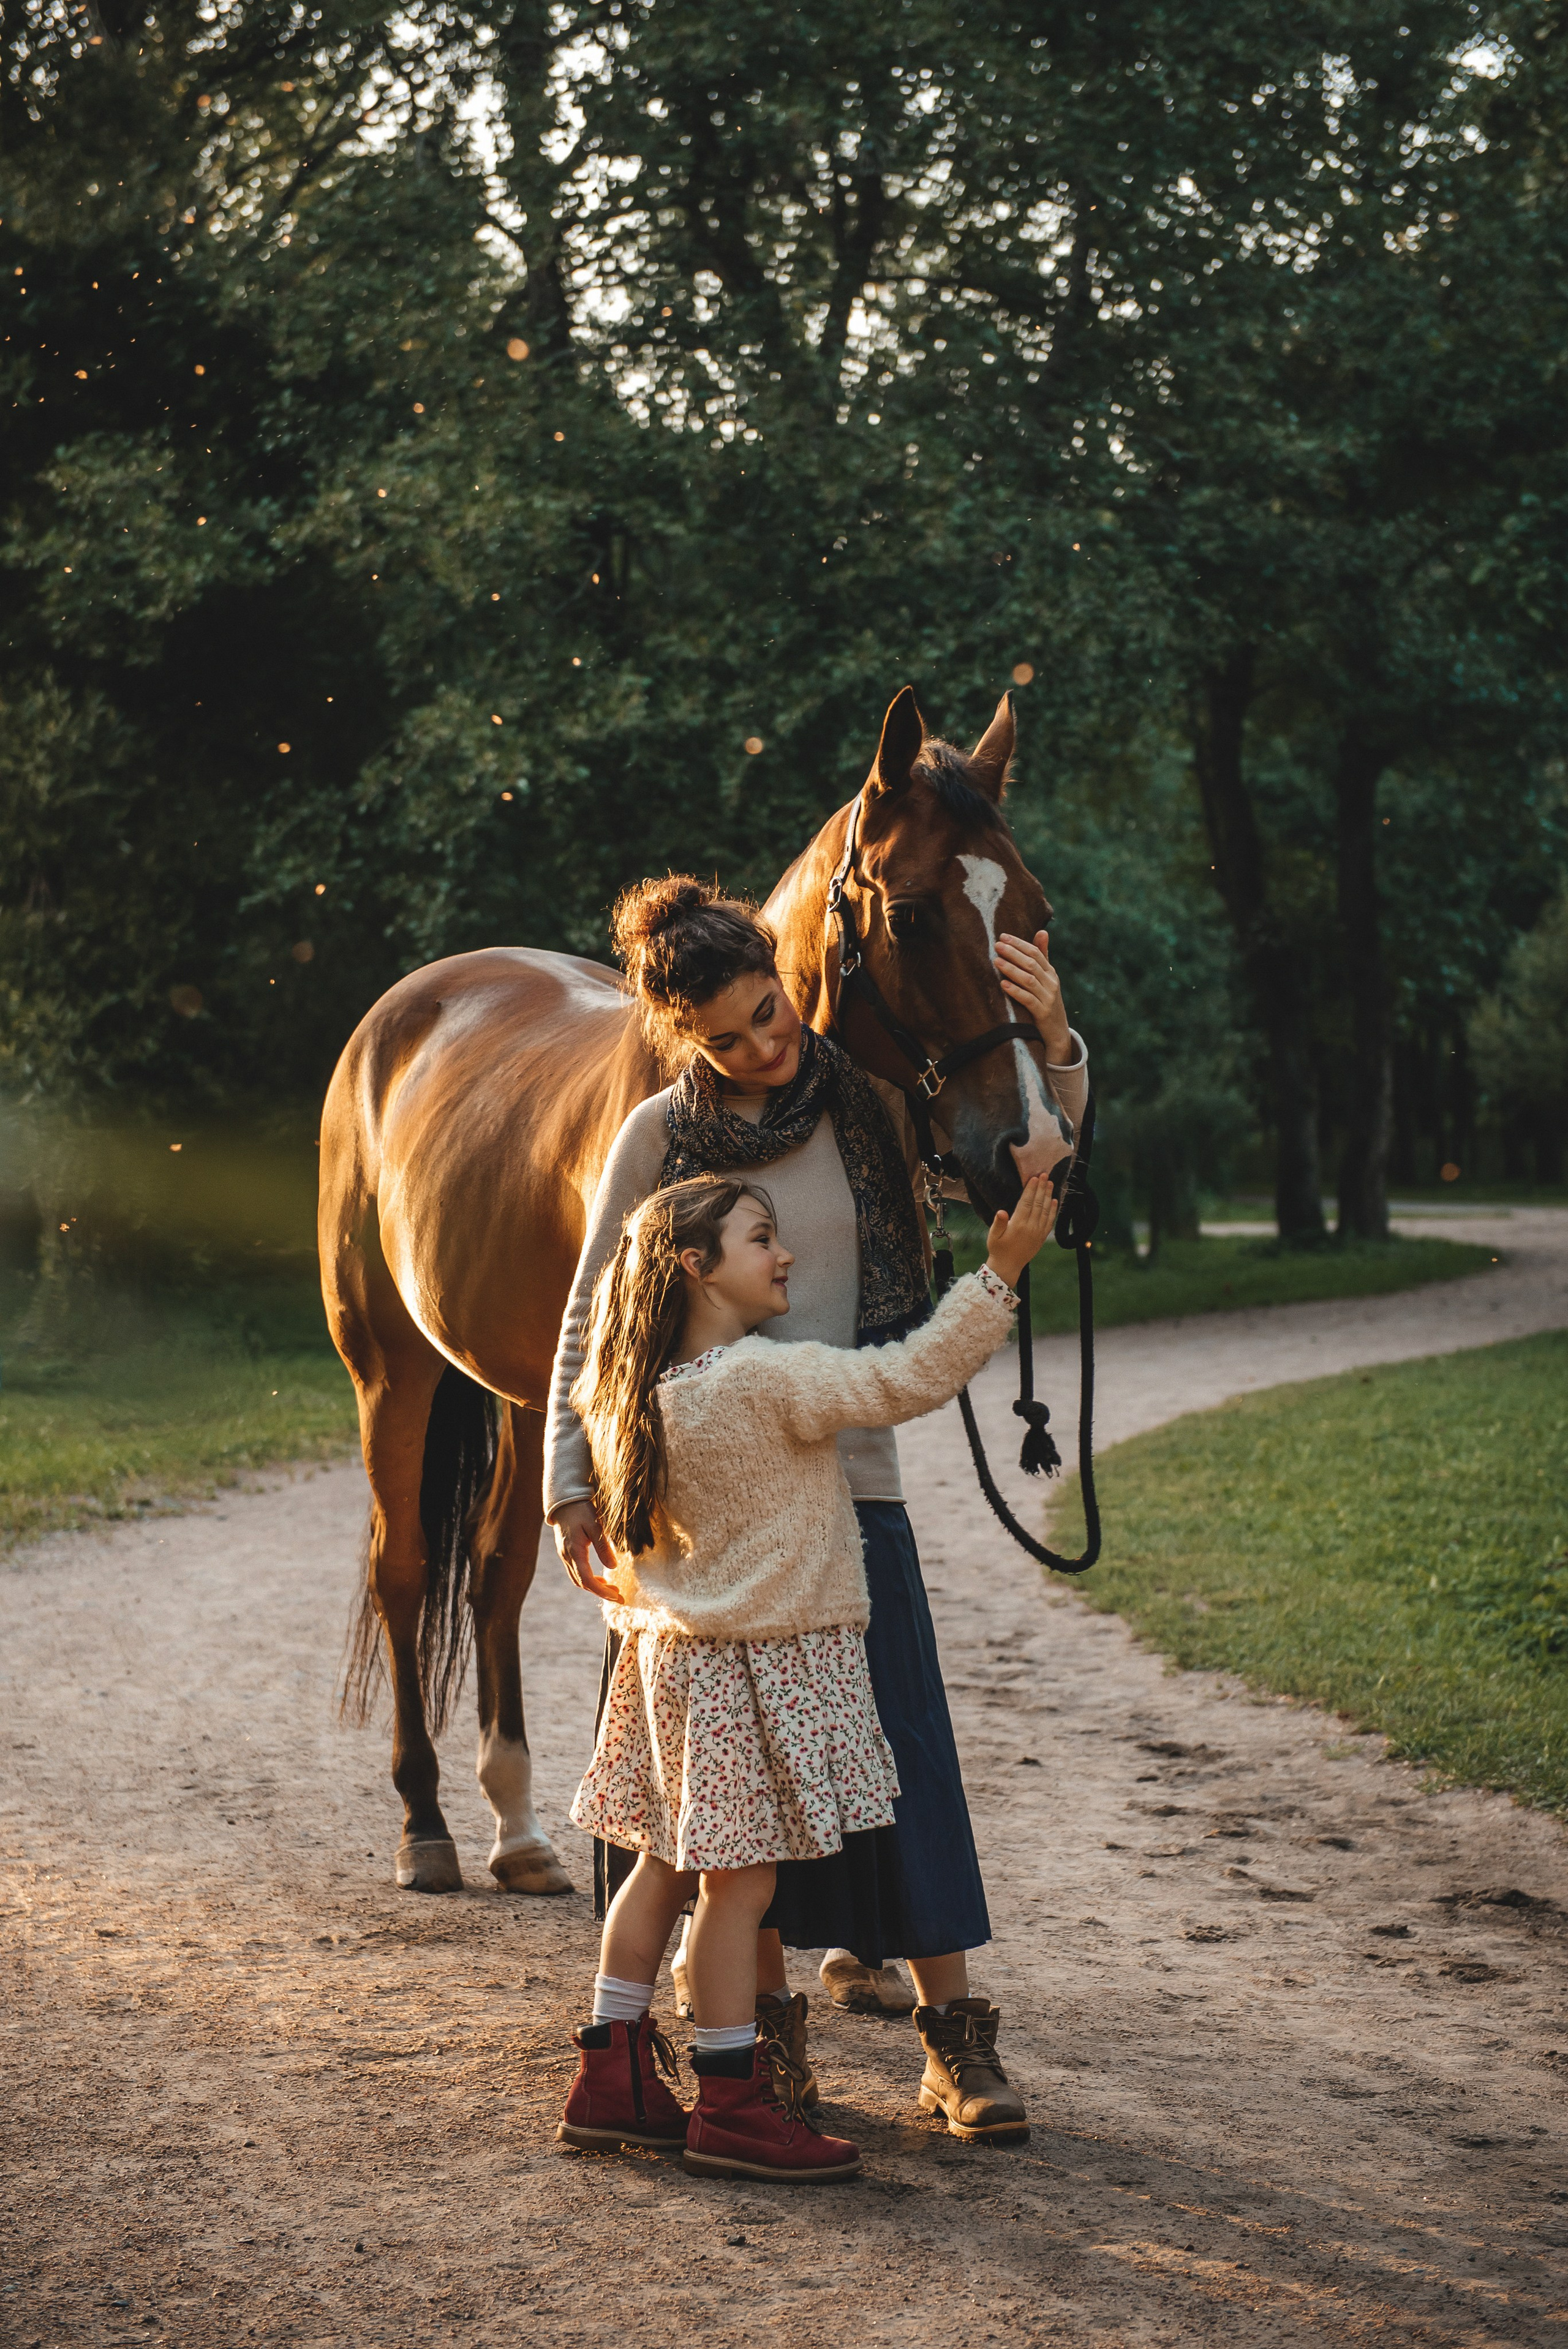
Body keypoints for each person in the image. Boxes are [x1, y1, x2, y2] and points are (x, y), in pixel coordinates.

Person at [545, 875, 1088, 2143]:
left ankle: (952, 2039)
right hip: (707, 1516)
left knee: (901, 1762)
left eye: (766, 1011)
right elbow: (590, 1316)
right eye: (724, 1037)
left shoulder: (873, 1102)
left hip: (852, 1491)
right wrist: (572, 1488)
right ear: (686, 1038)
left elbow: (1029, 1144)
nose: (758, 1045)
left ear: (784, 978)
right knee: (739, 1802)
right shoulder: (653, 1143)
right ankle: (763, 2050)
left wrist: (1055, 1041)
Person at [556, 1168, 1060, 2179]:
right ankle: (732, 2103)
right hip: (760, 1671)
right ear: (696, 1267)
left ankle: (612, 2076)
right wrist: (999, 1275)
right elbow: (905, 1378)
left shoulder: (621, 1396)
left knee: (663, 1867)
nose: (784, 1254)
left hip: (671, 1671)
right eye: (759, 1239)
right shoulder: (762, 1380)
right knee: (739, 1892)